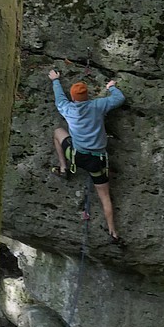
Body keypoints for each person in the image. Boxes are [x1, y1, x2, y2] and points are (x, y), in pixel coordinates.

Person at [48, 68, 125, 240]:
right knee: (105, 196)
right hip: (97, 161)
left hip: (77, 156)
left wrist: (55, 80)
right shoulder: (98, 106)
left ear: (73, 97)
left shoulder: (67, 108)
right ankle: (113, 232)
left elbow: (59, 98)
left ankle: (63, 167)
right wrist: (111, 87)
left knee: (58, 132)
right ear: (87, 96)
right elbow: (119, 99)